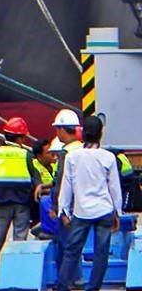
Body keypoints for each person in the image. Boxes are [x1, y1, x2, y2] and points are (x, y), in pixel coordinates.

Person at [55, 115, 122, 291]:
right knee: (101, 254)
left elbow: (66, 186)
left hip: (81, 211)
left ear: (82, 134)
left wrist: (63, 210)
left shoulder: (72, 157)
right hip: (104, 210)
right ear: (101, 133)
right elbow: (114, 187)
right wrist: (118, 211)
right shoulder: (108, 157)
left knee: (71, 251)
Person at [0, 116, 38, 286]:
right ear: (21, 138)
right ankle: (17, 276)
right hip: (22, 204)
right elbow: (34, 177)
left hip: (1, 204)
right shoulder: (26, 155)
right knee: (19, 240)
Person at [49, 109, 83, 271]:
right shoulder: (82, 149)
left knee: (65, 245)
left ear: (63, 129)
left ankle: (68, 278)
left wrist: (56, 207)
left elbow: (61, 183)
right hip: (81, 205)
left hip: (67, 207)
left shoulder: (66, 154)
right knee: (76, 245)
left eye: (57, 129)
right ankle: (77, 277)